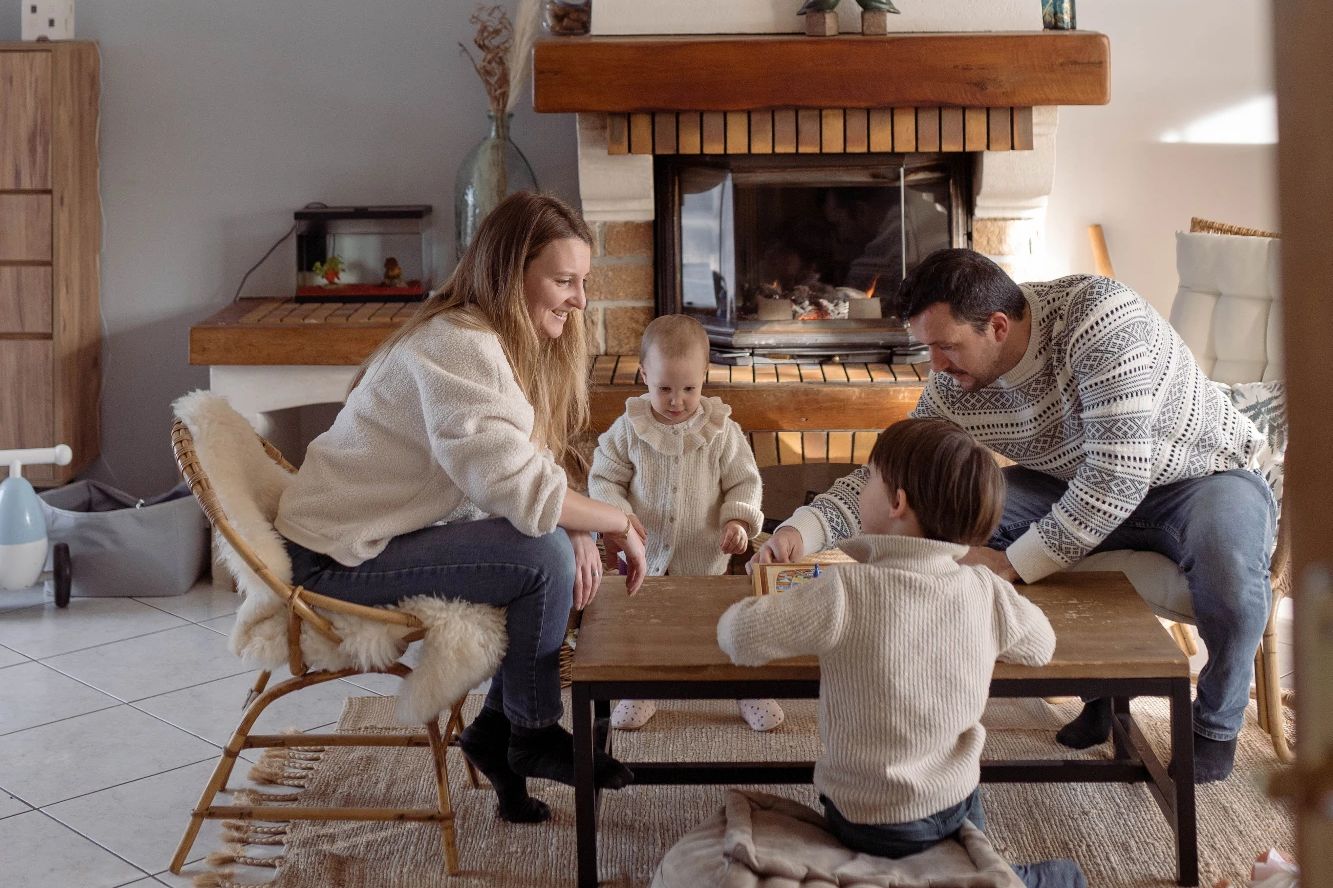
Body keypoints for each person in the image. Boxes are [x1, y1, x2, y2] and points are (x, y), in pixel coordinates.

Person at [754, 248, 1275, 783]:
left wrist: (1011, 562)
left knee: (1231, 569)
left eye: (944, 346)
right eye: (927, 347)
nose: (934, 365)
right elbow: (894, 479)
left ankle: (1214, 725)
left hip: (1202, 479)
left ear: (997, 326)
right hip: (1068, 484)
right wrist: (804, 526)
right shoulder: (955, 387)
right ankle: (1100, 686)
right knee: (955, 520)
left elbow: (1117, 480)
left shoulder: (1098, 318)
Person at [274, 191, 648, 824]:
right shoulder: (457, 344)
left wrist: (580, 530)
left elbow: (519, 460)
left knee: (552, 545)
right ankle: (530, 731)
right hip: (334, 558)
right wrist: (616, 521)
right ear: (511, 272)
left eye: (583, 282)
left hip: (373, 539)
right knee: (541, 555)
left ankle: (495, 731)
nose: (580, 300)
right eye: (564, 281)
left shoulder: (488, 340)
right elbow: (513, 486)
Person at [719, 418, 1061, 870]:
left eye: (869, 480)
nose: (861, 492)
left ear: (897, 502)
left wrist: (786, 594)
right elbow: (1042, 645)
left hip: (868, 817)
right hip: (956, 800)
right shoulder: (986, 590)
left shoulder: (844, 590)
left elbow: (737, 636)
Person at [588, 314, 783, 732]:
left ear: (705, 377)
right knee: (643, 632)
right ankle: (641, 690)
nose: (677, 401)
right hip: (645, 558)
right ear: (644, 375)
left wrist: (738, 522)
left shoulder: (721, 431)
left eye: (689, 389)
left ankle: (746, 688)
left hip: (705, 560)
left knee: (723, 628)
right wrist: (620, 519)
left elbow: (744, 482)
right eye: (664, 389)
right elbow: (604, 477)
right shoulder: (629, 429)